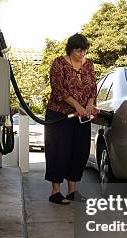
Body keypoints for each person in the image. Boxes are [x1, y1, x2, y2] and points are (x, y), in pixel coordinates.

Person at [44, 33, 97, 205]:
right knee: (59, 151)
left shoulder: (88, 65)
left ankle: (73, 191)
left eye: (84, 51)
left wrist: (89, 105)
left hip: (82, 117)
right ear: (70, 49)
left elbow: (92, 88)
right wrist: (77, 106)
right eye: (78, 50)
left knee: (79, 152)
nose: (82, 54)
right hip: (60, 115)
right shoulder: (59, 63)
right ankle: (55, 192)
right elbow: (59, 90)